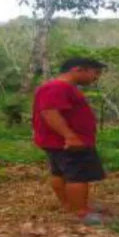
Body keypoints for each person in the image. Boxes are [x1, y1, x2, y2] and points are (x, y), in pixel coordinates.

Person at [32, 57, 112, 226]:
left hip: (58, 142)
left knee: (60, 173)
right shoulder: (58, 87)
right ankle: (81, 213)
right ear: (78, 69)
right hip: (68, 143)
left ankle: (71, 205)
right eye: (95, 72)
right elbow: (50, 112)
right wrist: (70, 136)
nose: (96, 77)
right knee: (78, 176)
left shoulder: (62, 87)